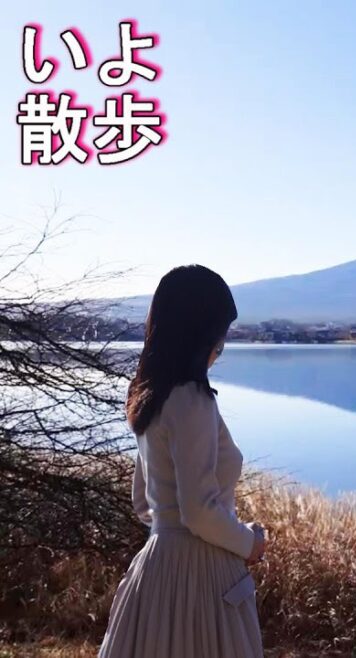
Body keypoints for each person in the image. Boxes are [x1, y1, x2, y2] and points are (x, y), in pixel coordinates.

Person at [100, 265, 266, 658]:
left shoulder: (149, 396)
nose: (218, 350)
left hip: (155, 571)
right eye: (219, 338)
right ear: (200, 334)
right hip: (203, 579)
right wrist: (249, 543)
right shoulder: (193, 400)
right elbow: (198, 511)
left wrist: (171, 537)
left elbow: (145, 502)